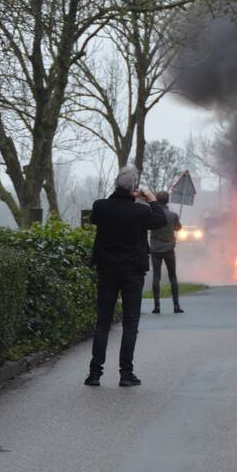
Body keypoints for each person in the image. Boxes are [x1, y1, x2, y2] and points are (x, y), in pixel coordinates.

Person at [84, 166, 168, 387]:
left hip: (106, 271)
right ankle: (126, 374)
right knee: (130, 323)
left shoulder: (100, 207)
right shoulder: (141, 212)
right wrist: (150, 199)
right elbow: (160, 220)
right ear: (134, 188)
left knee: (103, 321)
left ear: (115, 184)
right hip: (132, 273)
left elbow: (94, 219)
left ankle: (95, 373)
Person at [149, 190, 184, 314]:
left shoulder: (152, 214)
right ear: (167, 200)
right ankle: (176, 305)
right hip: (169, 249)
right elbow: (178, 228)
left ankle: (157, 306)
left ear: (157, 200)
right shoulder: (173, 215)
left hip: (155, 249)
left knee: (156, 277)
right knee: (172, 276)